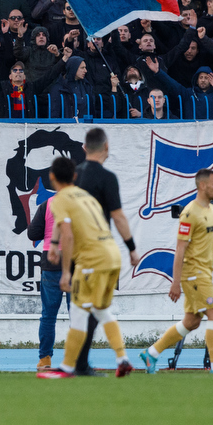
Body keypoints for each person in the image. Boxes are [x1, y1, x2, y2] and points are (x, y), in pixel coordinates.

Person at [137, 169, 213, 374]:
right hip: (193, 274)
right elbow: (180, 248)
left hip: (203, 273)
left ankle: (151, 353)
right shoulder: (190, 213)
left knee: (192, 322)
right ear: (203, 186)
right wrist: (175, 282)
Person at [36, 155, 133, 379]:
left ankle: (69, 367)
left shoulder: (59, 200)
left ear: (51, 177)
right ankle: (120, 359)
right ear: (75, 176)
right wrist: (52, 243)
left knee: (82, 311)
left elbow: (67, 236)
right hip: (111, 254)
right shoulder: (86, 196)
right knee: (97, 309)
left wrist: (67, 272)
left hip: (91, 260)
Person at [65, 128, 143, 374]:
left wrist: (57, 246)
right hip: (100, 250)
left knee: (84, 308)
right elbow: (117, 216)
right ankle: (81, 363)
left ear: (85, 147)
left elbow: (62, 216)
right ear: (106, 147)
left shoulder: (73, 176)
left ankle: (76, 363)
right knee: (93, 308)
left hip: (78, 250)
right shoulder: (107, 178)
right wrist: (131, 247)